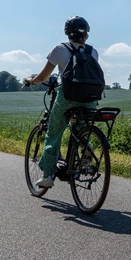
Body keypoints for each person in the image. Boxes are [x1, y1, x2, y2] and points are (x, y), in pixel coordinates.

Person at [24, 16, 99, 188]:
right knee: (80, 126)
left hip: (67, 97)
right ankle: (86, 144)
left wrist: (31, 80)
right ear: (86, 34)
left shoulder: (60, 49)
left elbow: (43, 76)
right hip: (90, 98)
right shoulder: (93, 52)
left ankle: (48, 175)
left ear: (67, 33)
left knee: (54, 133)